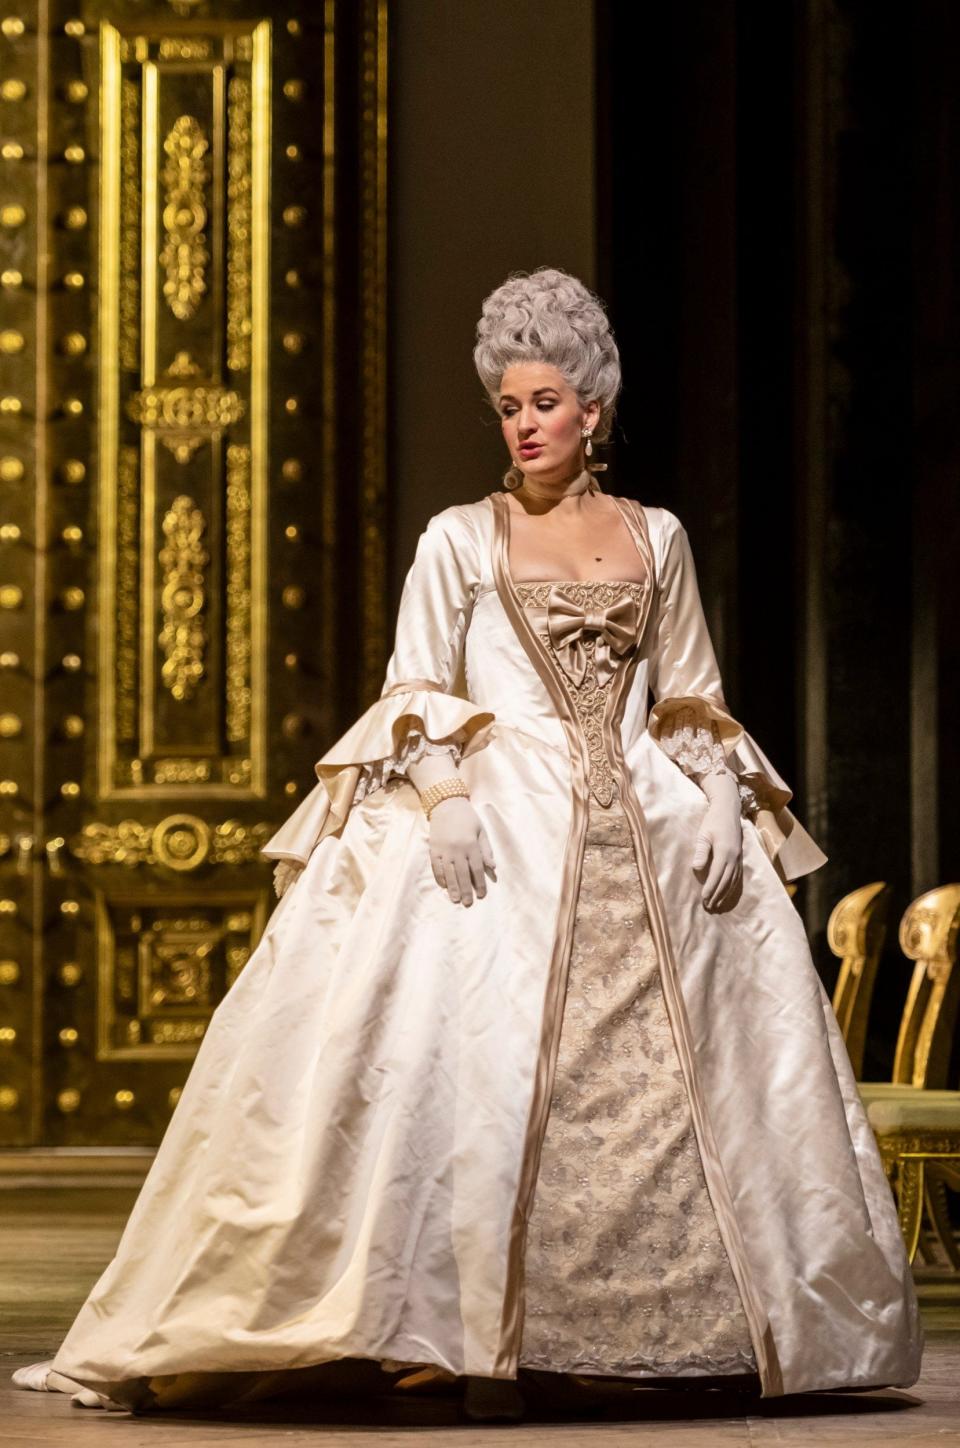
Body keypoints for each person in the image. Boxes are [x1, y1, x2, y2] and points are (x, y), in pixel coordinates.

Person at [13, 266, 923, 1421]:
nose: (525, 423)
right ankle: (464, 1329)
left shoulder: (659, 536)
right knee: (460, 1070)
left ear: (593, 405)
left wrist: (713, 804)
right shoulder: (458, 538)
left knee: (714, 1069)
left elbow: (690, 693)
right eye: (508, 405)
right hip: (501, 822)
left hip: (641, 814)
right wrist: (444, 797)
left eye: (545, 401)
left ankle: (706, 1330)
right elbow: (416, 686)